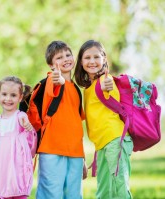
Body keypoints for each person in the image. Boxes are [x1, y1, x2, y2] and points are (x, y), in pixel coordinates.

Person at [74, 39, 133, 199]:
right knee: (104, 190)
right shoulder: (88, 89)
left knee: (120, 186)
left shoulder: (105, 80)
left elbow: (108, 86)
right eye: (87, 58)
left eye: (96, 57)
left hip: (115, 140)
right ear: (80, 61)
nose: (92, 61)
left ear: (104, 59)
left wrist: (107, 84)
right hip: (101, 144)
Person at [28, 41, 87, 199]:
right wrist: (58, 79)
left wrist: (83, 158)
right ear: (51, 65)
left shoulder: (75, 89)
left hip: (75, 152)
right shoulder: (51, 80)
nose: (66, 59)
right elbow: (55, 83)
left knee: (74, 194)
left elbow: (76, 125)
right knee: (51, 193)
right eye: (59, 57)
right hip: (51, 149)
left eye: (68, 55)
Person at [0, 76, 37, 199]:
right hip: (2, 179)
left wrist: (27, 126)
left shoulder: (20, 116)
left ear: (20, 97)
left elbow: (29, 137)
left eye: (13, 95)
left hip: (18, 179)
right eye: (4, 94)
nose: (8, 99)